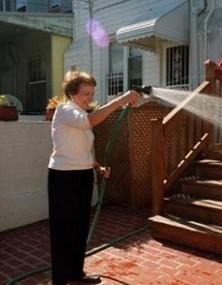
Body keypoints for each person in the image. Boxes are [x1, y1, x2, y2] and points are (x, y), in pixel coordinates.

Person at [47, 70, 140, 285]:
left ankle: (75, 273)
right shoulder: (64, 110)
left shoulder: (80, 114)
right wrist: (121, 100)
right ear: (72, 94)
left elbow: (83, 151)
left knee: (80, 227)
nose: (90, 98)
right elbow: (89, 121)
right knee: (63, 230)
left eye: (92, 93)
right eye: (85, 94)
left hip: (83, 176)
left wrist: (97, 167)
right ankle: (60, 280)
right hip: (62, 178)